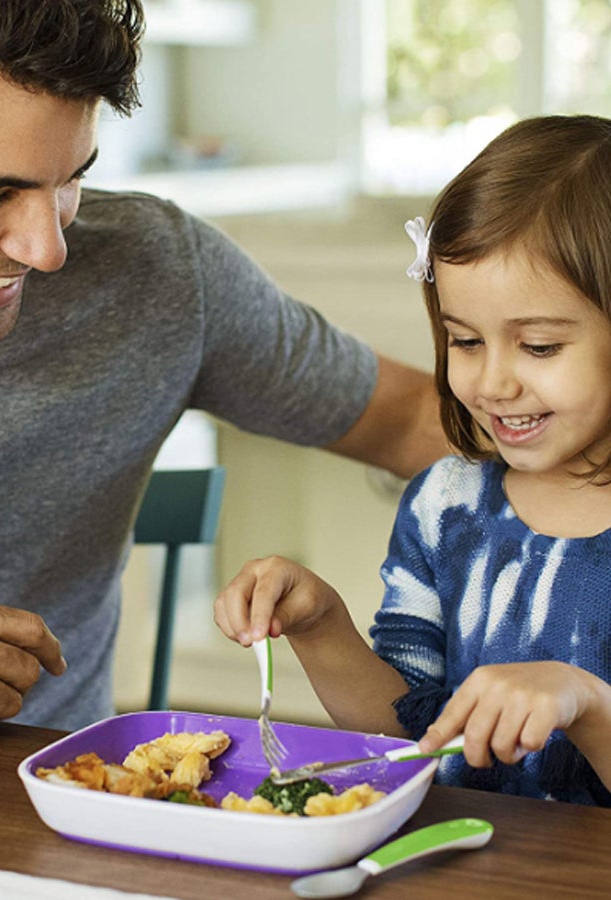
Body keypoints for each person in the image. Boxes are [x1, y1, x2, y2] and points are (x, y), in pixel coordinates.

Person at [0, 0, 447, 744]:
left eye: (69, 180)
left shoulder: (157, 273)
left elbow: (417, 422)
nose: (47, 248)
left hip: (57, 804)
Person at [215, 114, 611, 805]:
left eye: (540, 347)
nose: (493, 383)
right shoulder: (446, 505)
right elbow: (411, 738)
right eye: (464, 341)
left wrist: (588, 701)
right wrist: (320, 625)